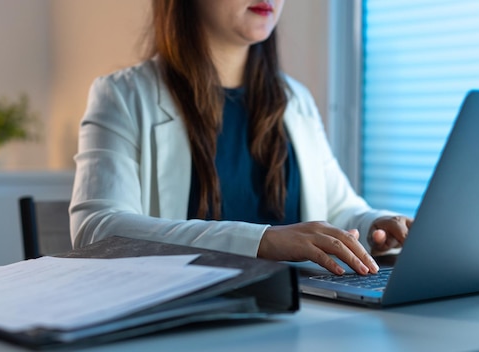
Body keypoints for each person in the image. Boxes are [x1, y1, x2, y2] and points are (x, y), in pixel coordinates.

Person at [70, 0, 412, 275]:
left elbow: (339, 208)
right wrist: (260, 241)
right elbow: (97, 229)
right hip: (188, 318)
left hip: (304, 316)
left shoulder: (296, 100)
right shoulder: (122, 96)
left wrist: (373, 228)